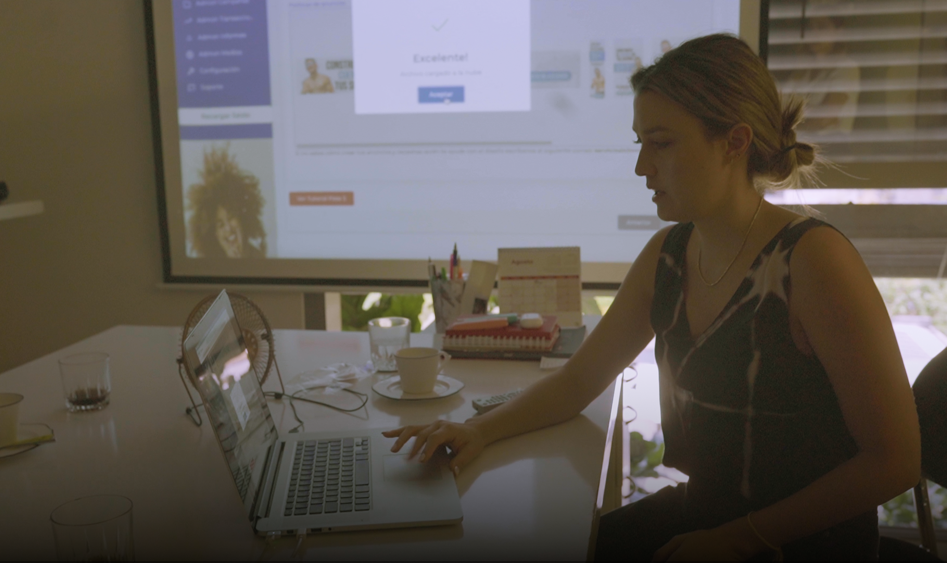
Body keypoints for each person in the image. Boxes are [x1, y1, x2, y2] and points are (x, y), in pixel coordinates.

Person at [385, 34, 920, 561]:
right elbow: (579, 380)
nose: (642, 167)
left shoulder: (815, 261)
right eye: (640, 143)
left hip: (795, 540)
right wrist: (477, 431)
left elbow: (894, 461)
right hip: (709, 517)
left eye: (661, 143)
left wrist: (741, 537)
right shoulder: (668, 254)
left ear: (734, 142)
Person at [186, 145, 267, 259]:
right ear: (214, 234)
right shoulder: (209, 265)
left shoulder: (261, 259)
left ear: (242, 219)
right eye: (220, 225)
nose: (228, 229)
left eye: (231, 217)